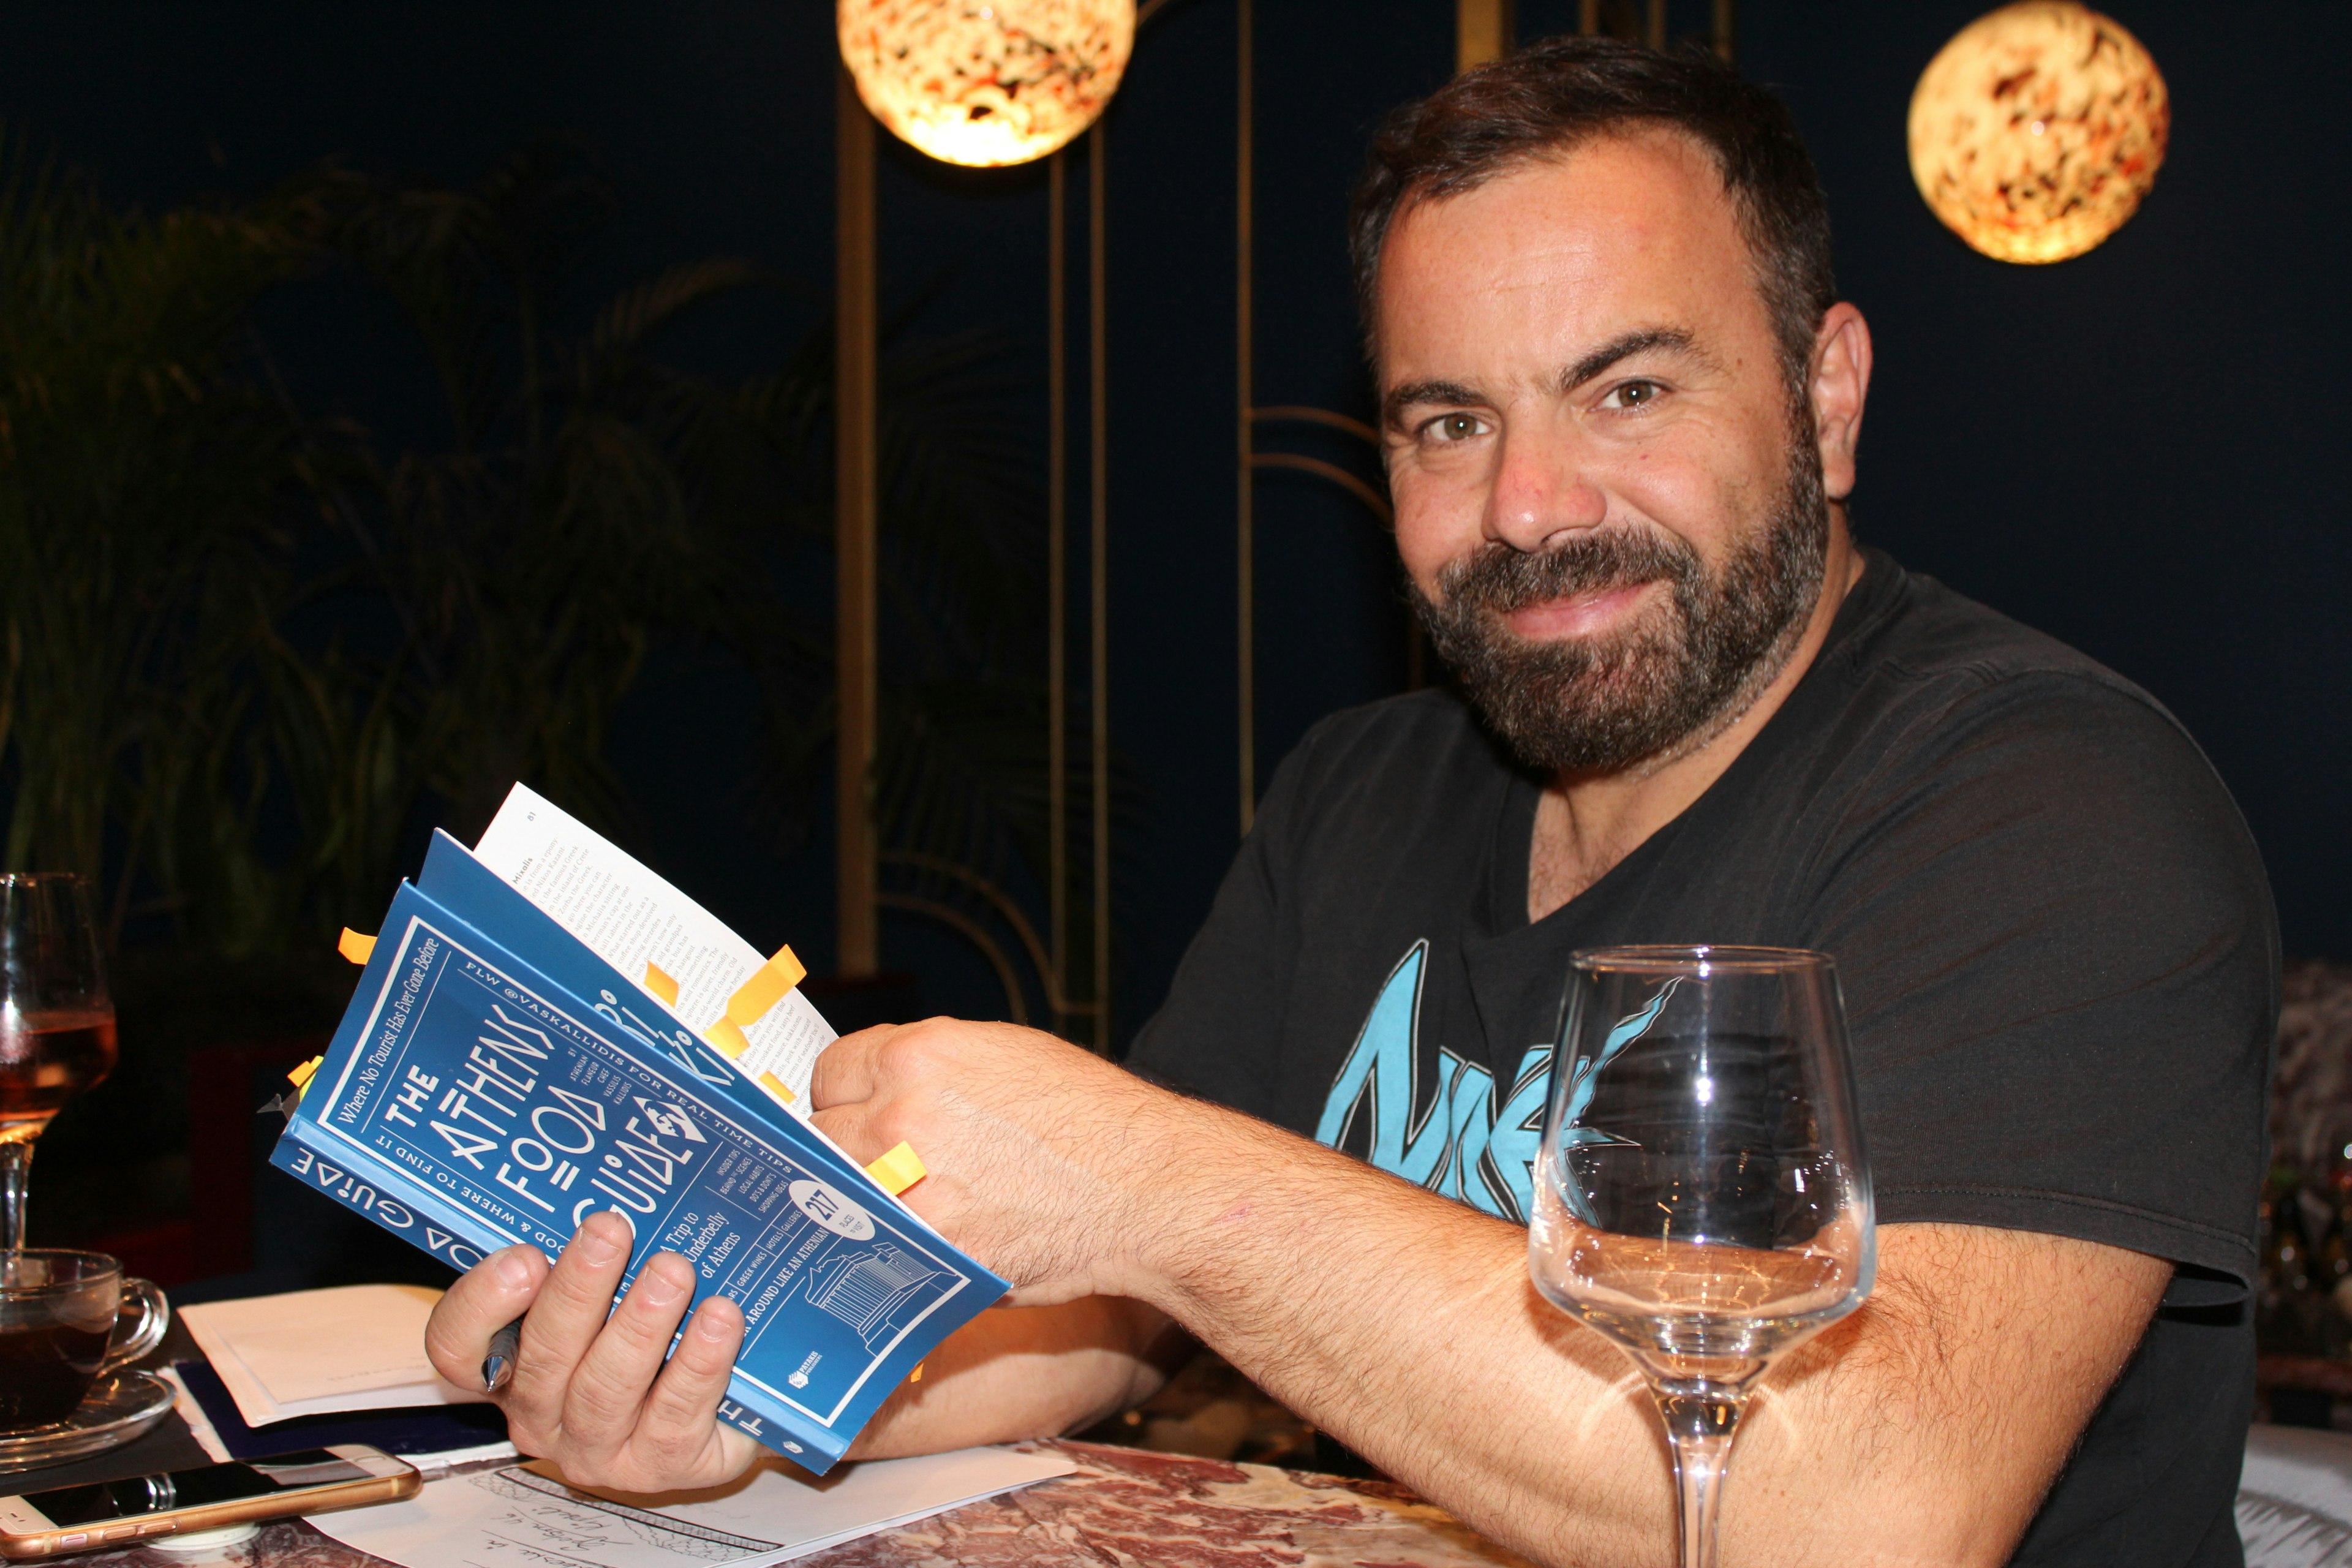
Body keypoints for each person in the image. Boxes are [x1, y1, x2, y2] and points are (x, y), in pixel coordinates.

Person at [424, 37, 2274, 1568]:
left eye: (1626, 388)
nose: (1531, 505)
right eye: (1446, 421)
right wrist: (736, 1399)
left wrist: (1160, 1188)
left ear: (1828, 393)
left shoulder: (2054, 804)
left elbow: (1861, 1516)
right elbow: (1092, 1332)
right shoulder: (1365, 787)